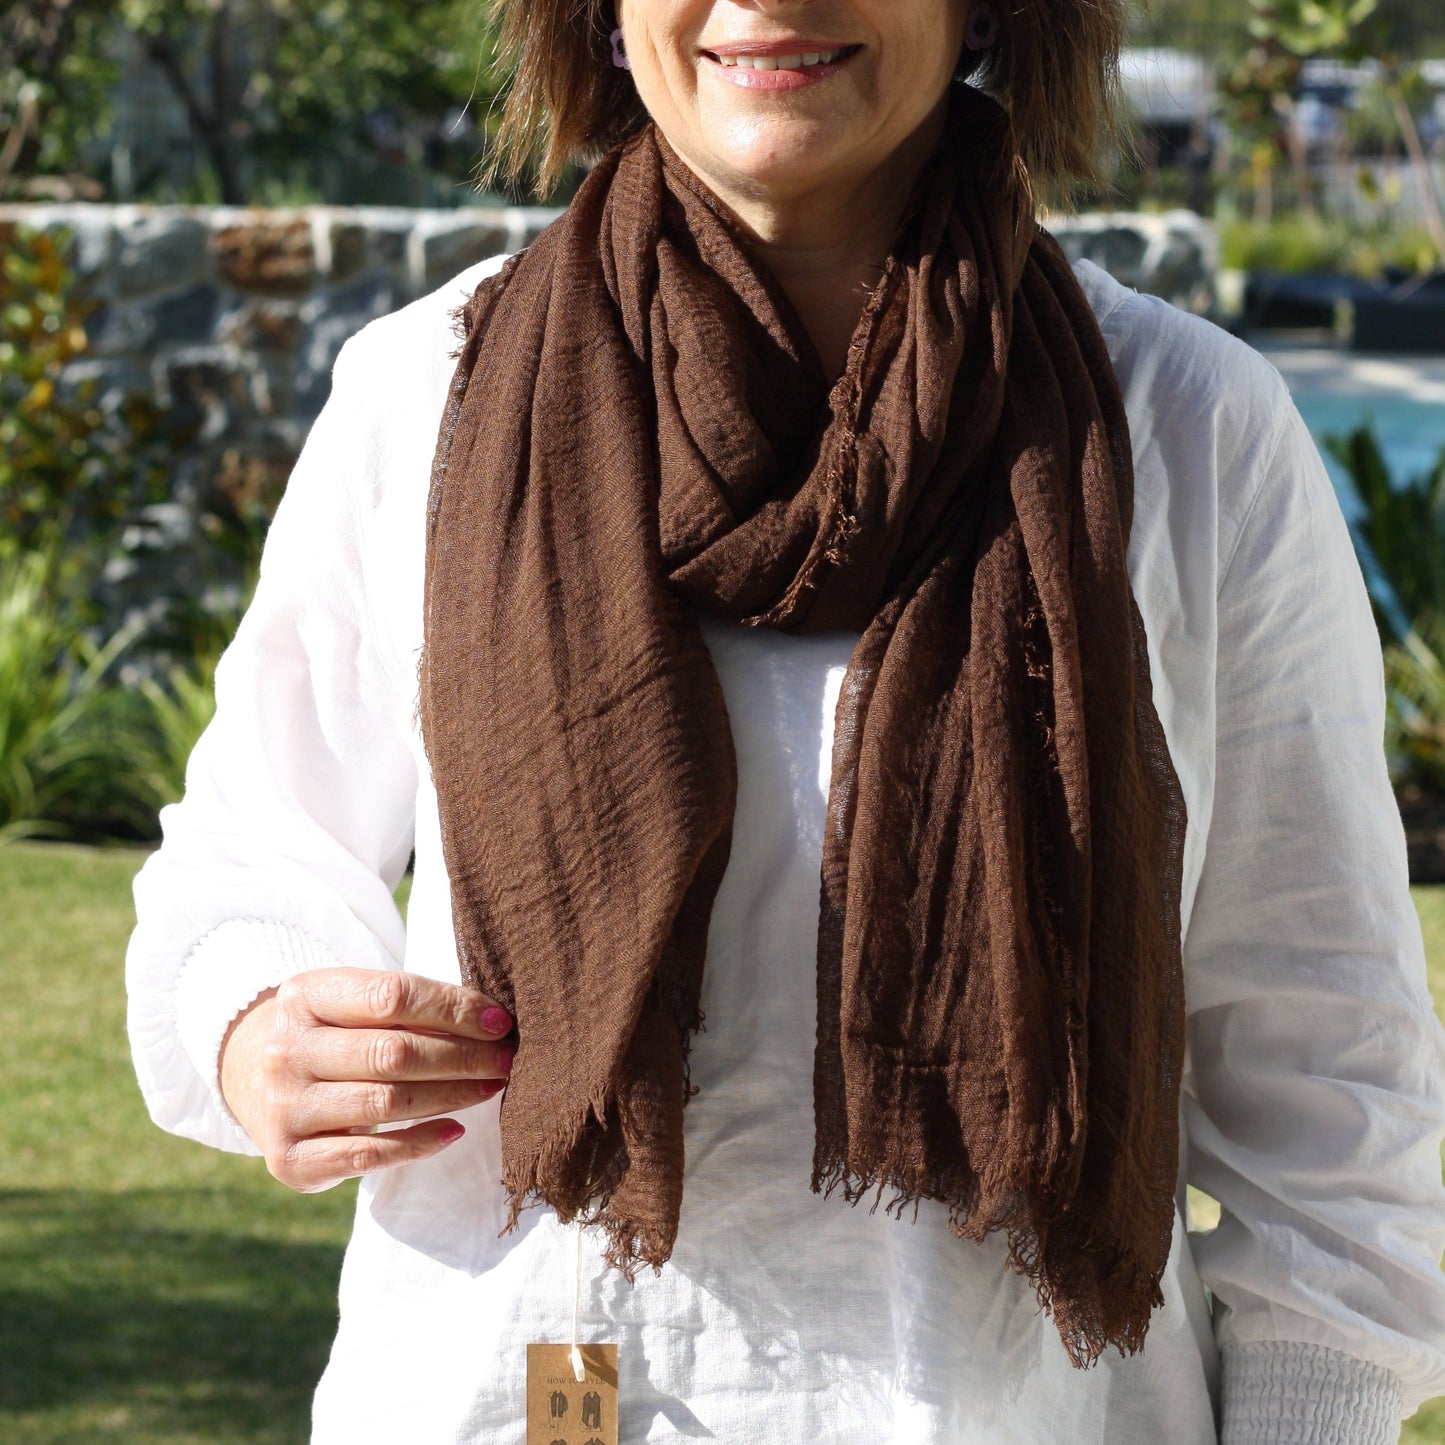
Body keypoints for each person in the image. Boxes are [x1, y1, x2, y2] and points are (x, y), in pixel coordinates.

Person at [126, 0, 1445, 1440]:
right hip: (508, 1396)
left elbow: (1331, 1077)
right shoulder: (424, 395)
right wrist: (258, 1018)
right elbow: (242, 860)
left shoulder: (1184, 429)